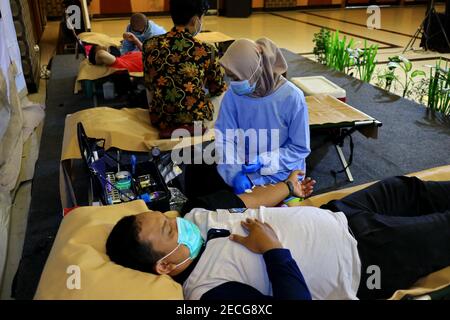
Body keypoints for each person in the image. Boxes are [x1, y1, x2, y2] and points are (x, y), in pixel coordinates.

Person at [106, 174, 450, 300]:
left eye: (167, 217)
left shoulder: (195, 215)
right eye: (168, 229)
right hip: (366, 259)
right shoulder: (209, 291)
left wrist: (288, 187)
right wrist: (272, 250)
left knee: (405, 188)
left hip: (340, 214)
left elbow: (247, 202)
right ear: (165, 265)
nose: (176, 222)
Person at [214, 38, 311, 194]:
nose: (233, 83)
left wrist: (264, 161)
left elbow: (299, 148)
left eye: (237, 77)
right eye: (231, 77)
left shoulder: (292, 97)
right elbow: (225, 136)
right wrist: (234, 174)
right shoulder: (233, 95)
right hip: (243, 169)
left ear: (255, 69)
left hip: (284, 175)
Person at [142, 0, 227, 132]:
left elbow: (149, 86)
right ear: (194, 20)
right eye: (201, 17)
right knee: (223, 92)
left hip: (161, 121)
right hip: (196, 123)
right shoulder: (207, 50)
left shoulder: (149, 45)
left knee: (151, 86)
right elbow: (217, 89)